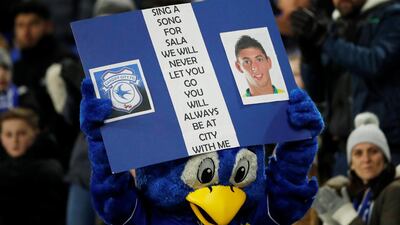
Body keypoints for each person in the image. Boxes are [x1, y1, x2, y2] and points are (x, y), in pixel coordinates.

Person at [290, 0, 400, 175]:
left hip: (384, 150)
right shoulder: (333, 25)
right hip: (341, 151)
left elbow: (374, 63)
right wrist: (310, 56)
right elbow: (317, 90)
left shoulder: (392, 16)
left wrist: (324, 39)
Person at [313, 112, 400, 225]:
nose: (366, 159)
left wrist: (346, 216)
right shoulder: (356, 193)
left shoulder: (394, 190)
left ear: (385, 158)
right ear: (351, 164)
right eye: (358, 153)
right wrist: (331, 221)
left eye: (373, 151)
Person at [0, 108, 67, 225]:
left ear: (35, 133)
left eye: (21, 134)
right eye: (8, 135)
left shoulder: (49, 170)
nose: (14, 140)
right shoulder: (3, 169)